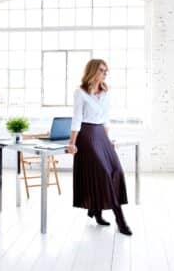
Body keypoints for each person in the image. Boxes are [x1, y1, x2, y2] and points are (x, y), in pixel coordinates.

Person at [66, 59, 132, 236]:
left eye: (106, 71)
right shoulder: (80, 93)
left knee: (116, 170)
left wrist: (107, 139)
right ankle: (121, 220)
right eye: (102, 70)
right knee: (101, 173)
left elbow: (106, 117)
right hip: (87, 135)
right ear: (93, 71)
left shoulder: (105, 92)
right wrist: (72, 143)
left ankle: (96, 210)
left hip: (101, 135)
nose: (104, 73)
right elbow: (77, 118)